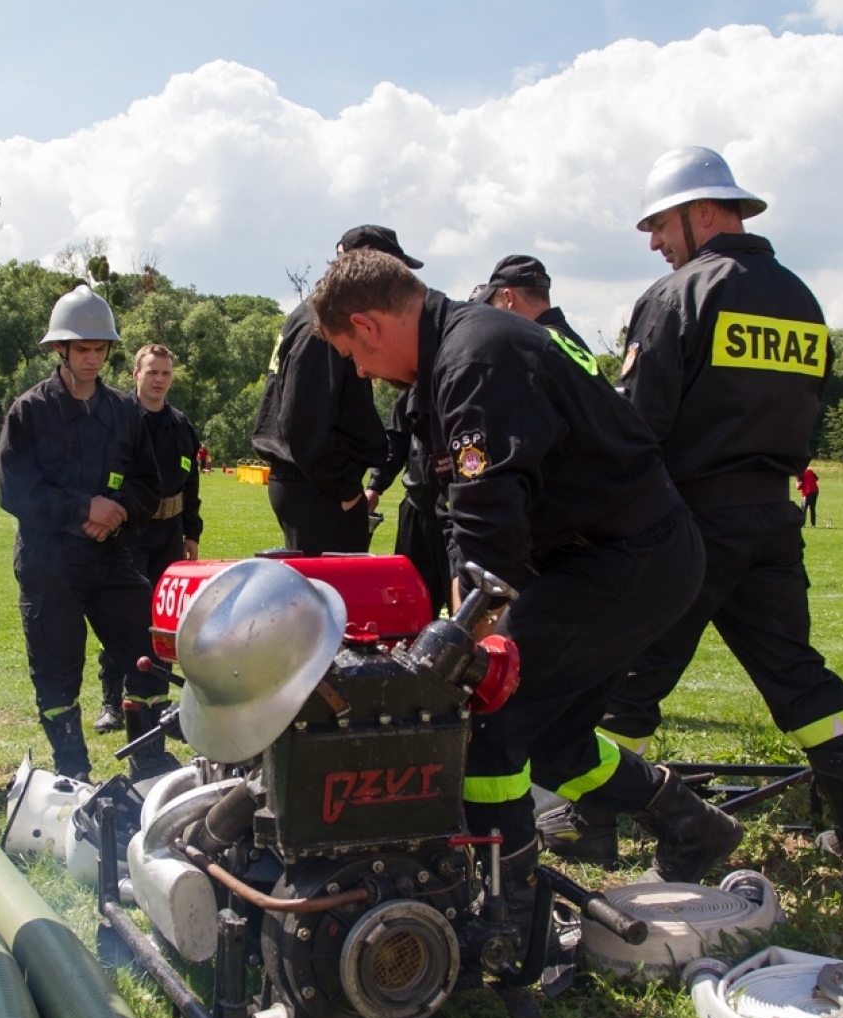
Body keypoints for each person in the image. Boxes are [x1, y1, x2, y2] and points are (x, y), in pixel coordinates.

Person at [308, 248, 744, 899]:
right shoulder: (455, 355)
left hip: (628, 557)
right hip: (614, 554)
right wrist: (466, 624)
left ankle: (503, 909)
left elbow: (491, 527)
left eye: (351, 353)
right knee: (558, 741)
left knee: (487, 720)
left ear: (368, 325)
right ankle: (691, 824)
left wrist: (469, 644)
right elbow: (466, 520)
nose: (361, 370)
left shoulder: (475, 360)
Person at [601, 146, 843, 883]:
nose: (653, 242)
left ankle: (592, 826)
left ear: (702, 212)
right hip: (771, 517)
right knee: (800, 679)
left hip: (690, 519)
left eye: (659, 224)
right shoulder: (802, 299)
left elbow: (636, 428)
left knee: (630, 675)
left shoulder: (677, 295)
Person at [0, 285, 174, 782]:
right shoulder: (29, 411)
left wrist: (115, 511)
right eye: (82, 349)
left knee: (146, 651)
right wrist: (81, 509)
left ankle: (149, 760)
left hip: (110, 557)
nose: (92, 359)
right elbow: (14, 491)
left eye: (99, 349)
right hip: (49, 563)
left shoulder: (123, 412)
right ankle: (72, 771)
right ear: (60, 350)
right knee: (56, 671)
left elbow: (148, 484)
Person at [251, 226, 399, 555]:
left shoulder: (317, 312)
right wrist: (346, 490)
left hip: (312, 482)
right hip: (316, 486)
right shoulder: (322, 324)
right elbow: (301, 423)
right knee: (331, 597)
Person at [93, 344, 202, 736]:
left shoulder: (181, 425)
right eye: (152, 372)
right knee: (123, 617)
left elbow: (191, 483)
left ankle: (157, 698)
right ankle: (111, 701)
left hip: (170, 536)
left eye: (166, 373)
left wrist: (192, 532)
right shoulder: (117, 418)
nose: (159, 380)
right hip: (130, 533)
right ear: (135, 374)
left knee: (165, 620)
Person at [364, 388, 452, 616]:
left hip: (459, 513)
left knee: (468, 608)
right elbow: (396, 439)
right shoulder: (416, 382)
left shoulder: (466, 377)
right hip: (418, 508)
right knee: (408, 606)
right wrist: (375, 486)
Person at [469, 253, 594, 355]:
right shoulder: (570, 342)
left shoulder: (532, 349)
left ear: (508, 298)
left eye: (493, 305)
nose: (492, 315)